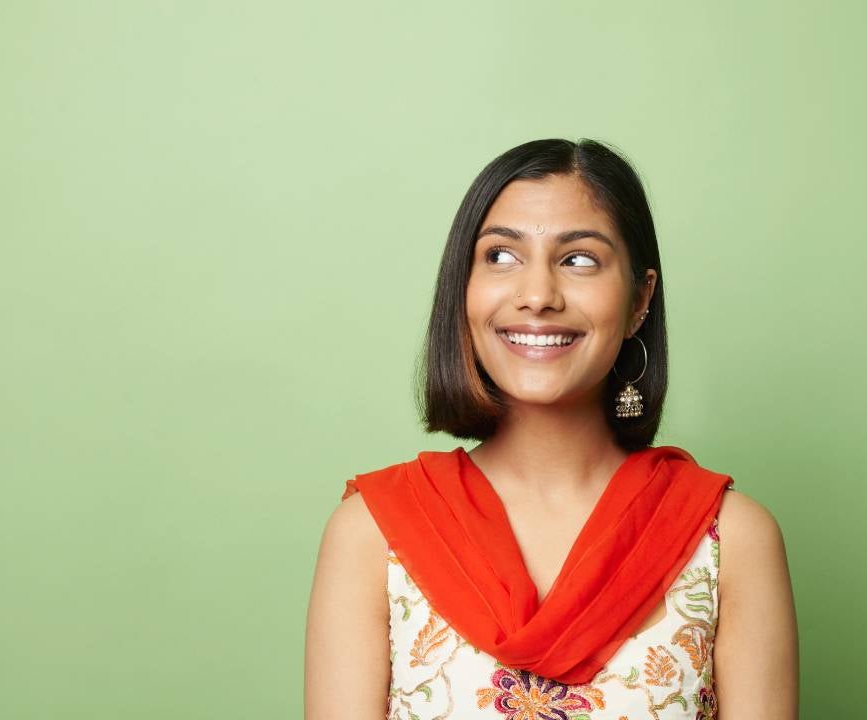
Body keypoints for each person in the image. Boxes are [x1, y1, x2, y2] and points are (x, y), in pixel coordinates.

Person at [304, 138, 798, 719]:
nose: (537, 296)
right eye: (501, 257)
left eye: (579, 260)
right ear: (462, 290)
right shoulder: (373, 533)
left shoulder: (730, 539)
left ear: (641, 299)